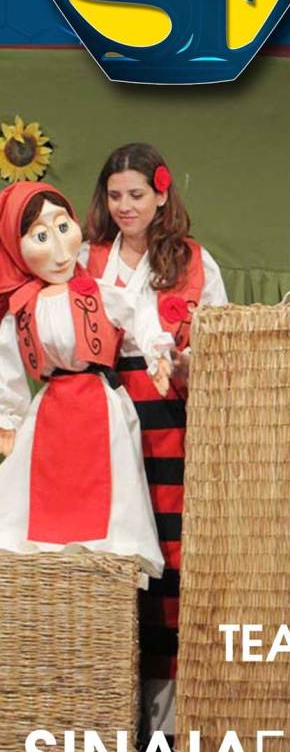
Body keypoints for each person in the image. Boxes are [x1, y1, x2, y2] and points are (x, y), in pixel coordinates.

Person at [81, 142, 228, 734]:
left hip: (171, 419)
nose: (125, 206)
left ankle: (169, 712)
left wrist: (188, 362)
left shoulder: (193, 260)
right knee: (111, 551)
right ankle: (104, 702)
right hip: (104, 416)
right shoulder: (88, 259)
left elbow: (220, 342)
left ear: (162, 195)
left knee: (171, 554)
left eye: (136, 195)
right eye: (115, 195)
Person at [0, 180, 169, 579]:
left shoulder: (98, 292)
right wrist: (8, 418)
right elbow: (8, 369)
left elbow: (139, 313)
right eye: (41, 237)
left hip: (100, 405)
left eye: (63, 227)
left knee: (109, 492)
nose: (60, 250)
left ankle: (105, 575)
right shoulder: (21, 310)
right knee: (36, 496)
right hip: (50, 413)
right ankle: (44, 579)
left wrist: (157, 353)